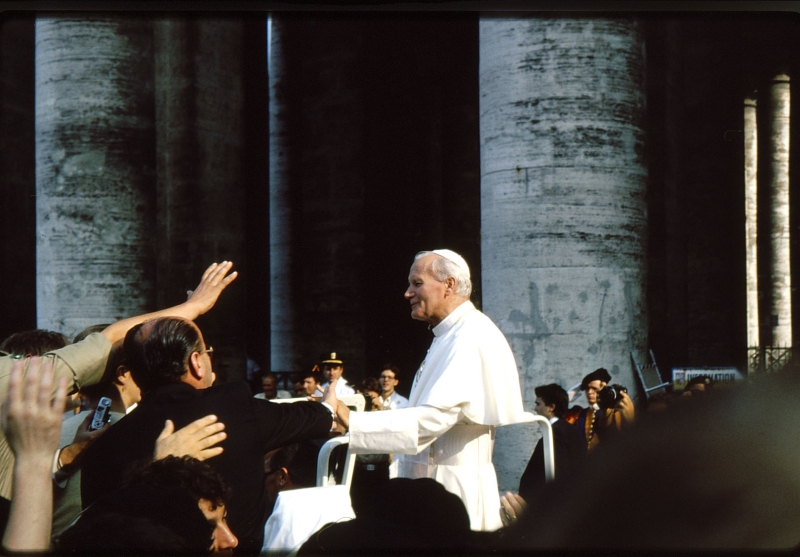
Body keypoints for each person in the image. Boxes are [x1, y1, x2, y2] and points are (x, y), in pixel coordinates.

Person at [79, 316, 336, 554]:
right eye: (206, 352)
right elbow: (317, 418)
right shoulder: (234, 407)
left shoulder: (104, 446)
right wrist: (328, 405)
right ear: (196, 362)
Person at [0, 261, 238, 502]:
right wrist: (193, 307)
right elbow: (111, 342)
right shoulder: (129, 435)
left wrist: (68, 456)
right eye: (140, 363)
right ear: (122, 372)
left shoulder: (73, 433)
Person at [332, 249, 526, 531]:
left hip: (453, 492)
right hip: (434, 490)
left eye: (417, 283)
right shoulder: (449, 334)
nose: (407, 293)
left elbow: (434, 419)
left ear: (449, 285)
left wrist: (352, 419)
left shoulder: (469, 335)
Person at [517, 384, 585, 505]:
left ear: (551, 407)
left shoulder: (555, 433)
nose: (535, 409)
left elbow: (557, 473)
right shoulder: (571, 430)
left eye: (538, 404)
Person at [565, 367, 634, 451]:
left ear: (603, 390)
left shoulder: (613, 413)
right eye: (587, 388)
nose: (589, 392)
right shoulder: (579, 414)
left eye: (594, 388)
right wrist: (565, 398)